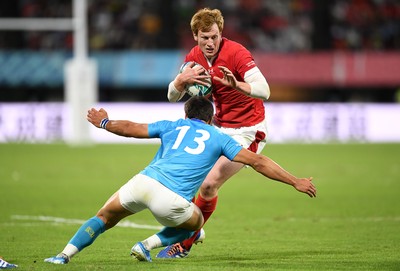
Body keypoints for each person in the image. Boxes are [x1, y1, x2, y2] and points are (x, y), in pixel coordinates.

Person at [44, 96, 316, 264]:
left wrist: (104, 123)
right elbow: (258, 161)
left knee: (103, 217)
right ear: (211, 120)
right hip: (171, 201)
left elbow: (131, 129)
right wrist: (295, 181)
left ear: (186, 115)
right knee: (196, 225)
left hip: (143, 183)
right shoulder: (221, 137)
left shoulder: (171, 125)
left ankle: (63, 255)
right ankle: (151, 244)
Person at [162, 7, 272, 258]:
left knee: (210, 184)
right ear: (195, 37)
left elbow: (265, 90)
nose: (210, 42)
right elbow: (172, 97)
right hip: (217, 128)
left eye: (214, 36)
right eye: (205, 38)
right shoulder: (193, 58)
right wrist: (179, 82)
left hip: (248, 130)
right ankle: (194, 228)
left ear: (220, 32)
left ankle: (185, 244)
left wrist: (238, 85)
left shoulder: (237, 53)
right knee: (185, 178)